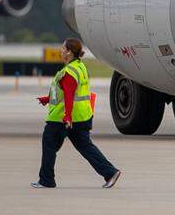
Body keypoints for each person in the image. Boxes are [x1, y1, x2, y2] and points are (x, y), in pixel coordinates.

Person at [32, 38, 122, 189]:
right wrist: (48, 99)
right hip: (82, 116)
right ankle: (110, 172)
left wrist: (67, 117)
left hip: (63, 118)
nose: (60, 51)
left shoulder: (69, 72)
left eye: (63, 48)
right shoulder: (80, 67)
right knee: (85, 147)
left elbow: (68, 95)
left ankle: (46, 180)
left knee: (48, 143)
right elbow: (68, 93)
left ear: (69, 52)